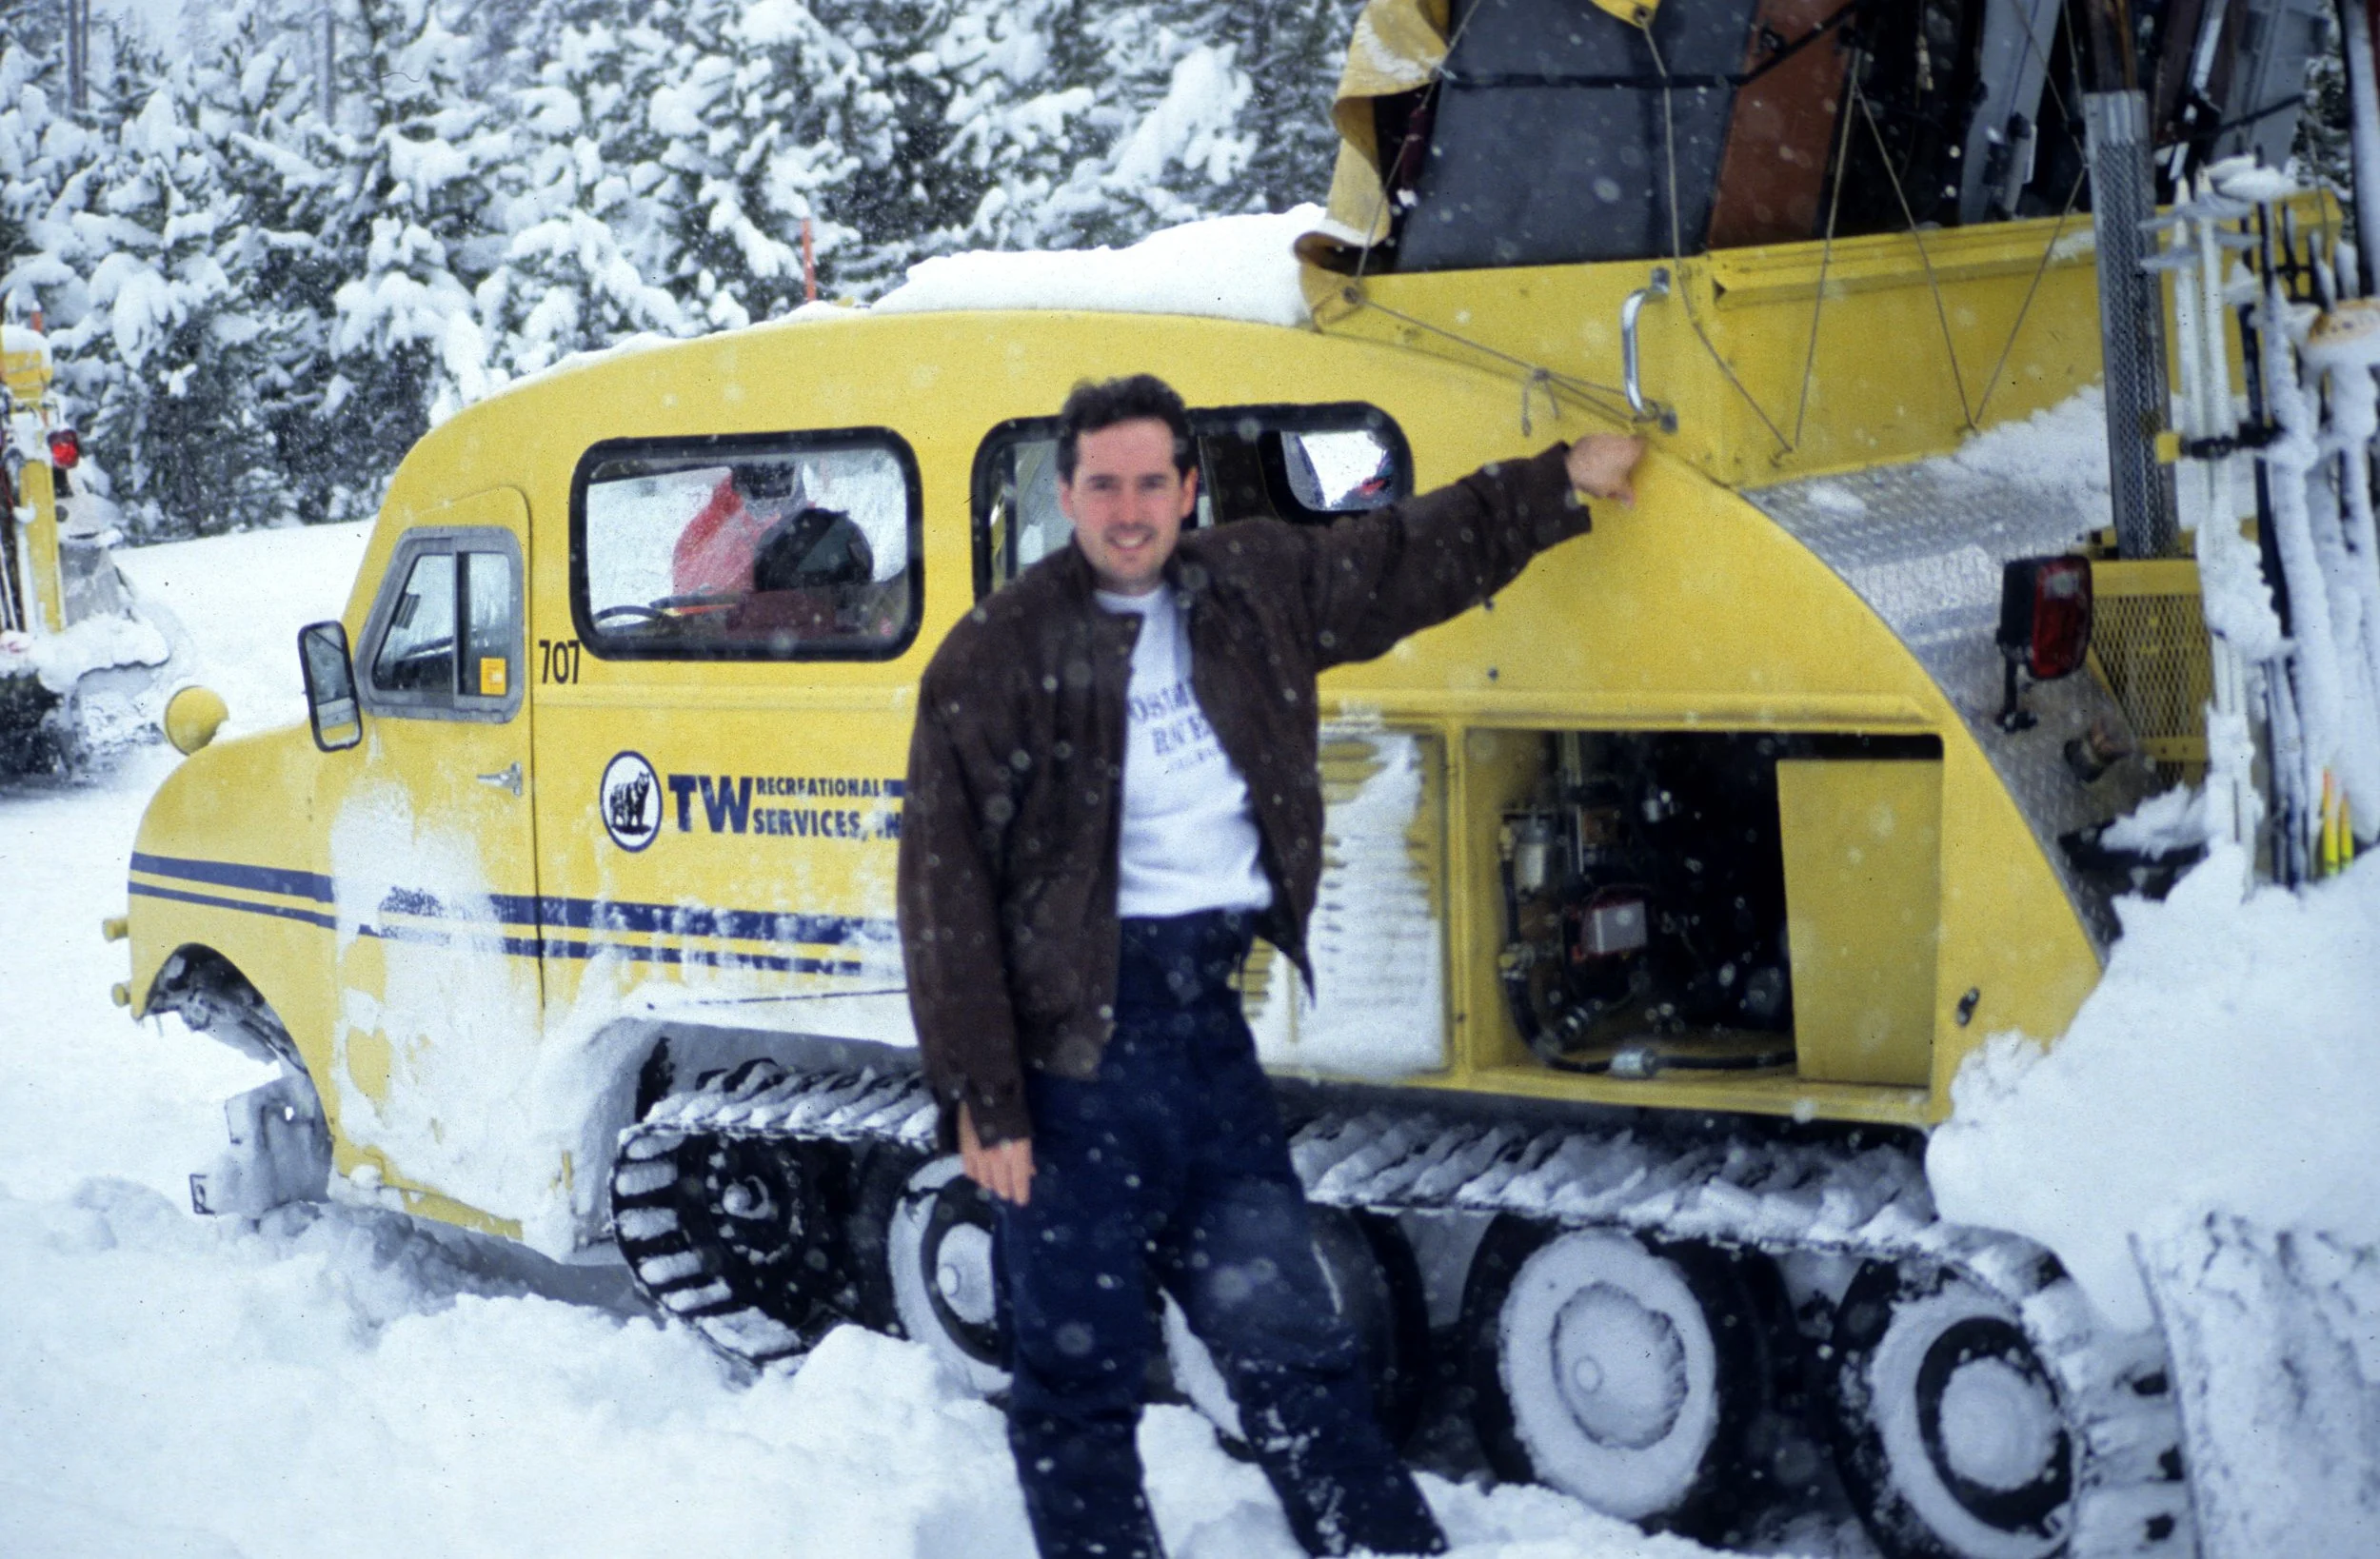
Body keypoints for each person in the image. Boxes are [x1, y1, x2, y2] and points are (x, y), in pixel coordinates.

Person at [897, 374, 1644, 1559]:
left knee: (1293, 1351)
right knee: (1077, 1382)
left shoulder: (1251, 588)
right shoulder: (994, 659)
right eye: (1104, 484)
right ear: (1065, 492)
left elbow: (1405, 554)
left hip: (1207, 1040)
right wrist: (983, 1097)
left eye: (1153, 481)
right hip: (1067, 1069)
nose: (1130, 509)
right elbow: (943, 896)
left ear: (1188, 488)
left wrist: (1551, 484)